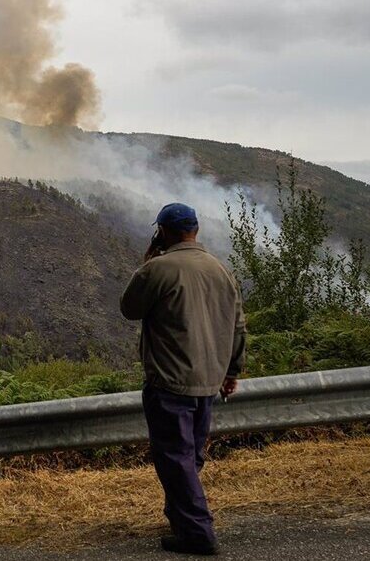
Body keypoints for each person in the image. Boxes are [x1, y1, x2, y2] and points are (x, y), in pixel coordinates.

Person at [120, 203, 247, 556]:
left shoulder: (159, 269)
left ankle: (198, 533)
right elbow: (238, 325)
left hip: (171, 382)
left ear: (163, 231)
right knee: (189, 456)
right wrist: (232, 371)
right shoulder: (220, 269)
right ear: (195, 230)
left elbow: (129, 309)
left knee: (175, 457)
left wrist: (149, 261)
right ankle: (182, 519)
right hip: (209, 380)